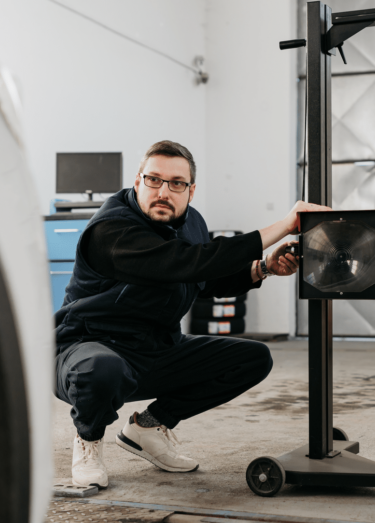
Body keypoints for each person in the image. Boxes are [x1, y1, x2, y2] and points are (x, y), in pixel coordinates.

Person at [54, 140, 330, 487]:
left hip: (156, 350)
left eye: (176, 183)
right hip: (87, 350)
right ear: (138, 181)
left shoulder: (191, 223)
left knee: (253, 358)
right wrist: (284, 225)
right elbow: (182, 262)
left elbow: (202, 277)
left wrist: (264, 267)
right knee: (101, 367)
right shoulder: (110, 229)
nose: (163, 191)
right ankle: (88, 439)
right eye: (153, 180)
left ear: (191, 190)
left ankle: (148, 427)